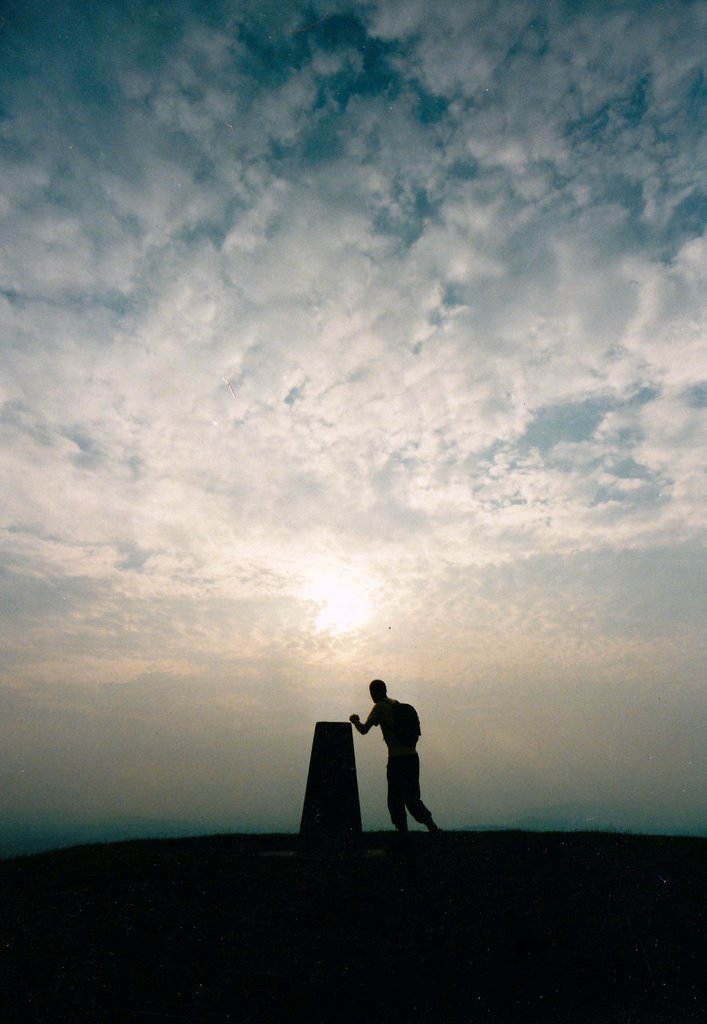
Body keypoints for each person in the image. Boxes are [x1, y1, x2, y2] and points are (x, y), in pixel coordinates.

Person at [350, 679, 440, 834]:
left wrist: (355, 721)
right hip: (412, 757)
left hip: (397, 760)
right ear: (385, 690)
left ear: (373, 693)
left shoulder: (379, 707)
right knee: (412, 797)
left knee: (395, 799)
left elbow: (364, 730)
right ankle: (433, 828)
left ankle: (403, 833)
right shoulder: (396, 704)